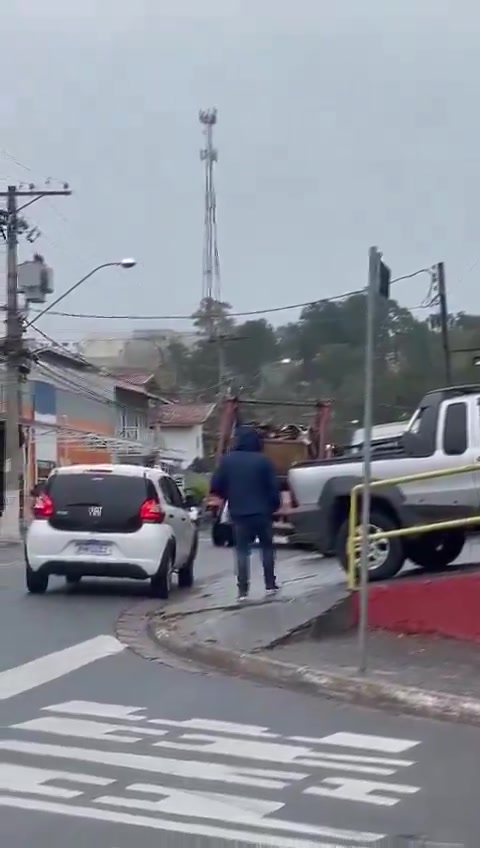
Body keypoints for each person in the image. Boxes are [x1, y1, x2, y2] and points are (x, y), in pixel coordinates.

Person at [210, 425, 281, 601]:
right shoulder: (263, 461)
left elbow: (216, 485)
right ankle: (270, 585)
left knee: (242, 551)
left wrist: (228, 495)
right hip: (262, 513)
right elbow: (273, 489)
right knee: (267, 548)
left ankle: (243, 591)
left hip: (239, 513)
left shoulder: (228, 461)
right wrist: (272, 507)